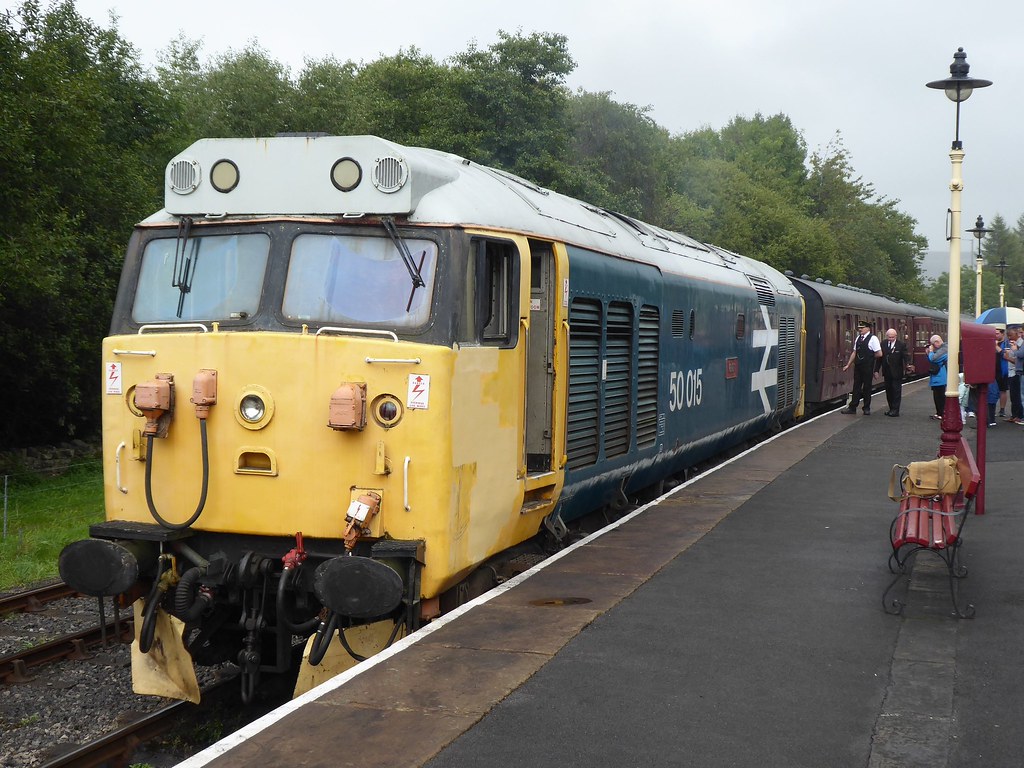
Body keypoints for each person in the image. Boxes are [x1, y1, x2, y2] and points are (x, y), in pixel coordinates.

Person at [841, 320, 882, 415]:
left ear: (868, 328)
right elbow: (854, 352)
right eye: (859, 328)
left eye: (862, 328)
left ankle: (866, 408)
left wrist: (869, 357)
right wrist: (848, 364)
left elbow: (879, 353)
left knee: (867, 387)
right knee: (856, 387)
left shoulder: (873, 339)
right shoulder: (858, 338)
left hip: (867, 366)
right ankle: (852, 407)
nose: (860, 330)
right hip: (858, 366)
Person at [879, 327, 910, 417]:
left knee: (896, 391)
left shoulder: (901, 345)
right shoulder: (883, 344)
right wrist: (876, 370)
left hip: (897, 372)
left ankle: (895, 410)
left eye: (892, 337)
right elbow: (879, 359)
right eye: (889, 337)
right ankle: (891, 408)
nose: (891, 339)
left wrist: (908, 364)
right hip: (887, 371)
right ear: (886, 336)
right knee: (889, 391)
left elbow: (905, 356)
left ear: (896, 336)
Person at [927, 335, 948, 420]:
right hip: (938, 376)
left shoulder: (943, 350)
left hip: (941, 377)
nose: (932, 346)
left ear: (936, 342)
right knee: (937, 395)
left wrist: (931, 352)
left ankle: (941, 413)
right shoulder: (942, 349)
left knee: (940, 396)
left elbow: (933, 359)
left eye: (933, 344)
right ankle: (939, 412)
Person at [1004, 327, 1023, 423]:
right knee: (1013, 395)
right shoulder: (1012, 344)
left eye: (1011, 335)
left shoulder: (1020, 344)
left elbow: (1019, 359)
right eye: (1008, 335)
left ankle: (1019, 415)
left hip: (1017, 371)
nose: (1009, 337)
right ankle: (1014, 414)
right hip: (1011, 371)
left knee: (1017, 395)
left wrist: (1008, 357)